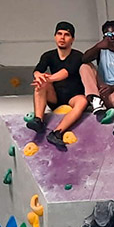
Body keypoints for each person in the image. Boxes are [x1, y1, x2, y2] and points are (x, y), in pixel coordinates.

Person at [26, 21, 88, 150]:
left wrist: (47, 78)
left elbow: (65, 72)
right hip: (55, 97)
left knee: (82, 102)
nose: (62, 37)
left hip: (73, 96)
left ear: (72, 39)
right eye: (59, 34)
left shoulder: (78, 56)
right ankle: (38, 120)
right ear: (55, 36)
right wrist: (39, 76)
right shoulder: (48, 55)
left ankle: (57, 132)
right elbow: (37, 70)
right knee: (40, 83)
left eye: (66, 35)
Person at [80, 20, 114, 138]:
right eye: (108, 35)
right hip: (102, 93)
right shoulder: (101, 52)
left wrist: (113, 88)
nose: (112, 38)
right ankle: (95, 100)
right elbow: (84, 58)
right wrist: (99, 45)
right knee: (85, 66)